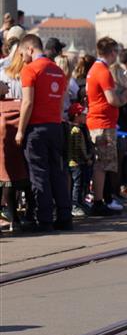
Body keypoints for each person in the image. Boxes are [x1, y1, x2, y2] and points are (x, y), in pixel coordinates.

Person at [15, 34, 71, 230]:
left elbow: (27, 102)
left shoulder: (30, 70)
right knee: (57, 172)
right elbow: (61, 101)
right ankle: (64, 216)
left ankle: (44, 219)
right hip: (55, 126)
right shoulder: (58, 71)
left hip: (36, 129)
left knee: (39, 175)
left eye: (22, 54)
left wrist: (20, 130)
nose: (22, 58)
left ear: (30, 49)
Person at [86, 37, 127, 216]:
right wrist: (125, 97)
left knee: (103, 164)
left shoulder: (95, 69)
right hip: (102, 123)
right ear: (111, 52)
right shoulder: (103, 71)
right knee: (102, 164)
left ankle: (103, 199)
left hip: (99, 121)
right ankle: (99, 201)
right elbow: (112, 100)